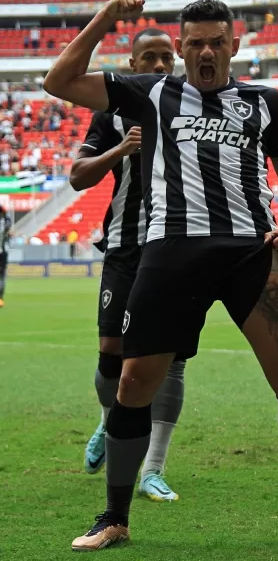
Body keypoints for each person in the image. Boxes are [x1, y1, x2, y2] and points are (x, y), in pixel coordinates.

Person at [44, 0, 278, 552]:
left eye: (218, 42)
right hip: (170, 252)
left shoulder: (266, 102)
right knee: (132, 383)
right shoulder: (151, 92)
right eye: (195, 44)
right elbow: (59, 80)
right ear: (180, 48)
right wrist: (107, 18)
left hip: (249, 252)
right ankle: (114, 517)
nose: (207, 53)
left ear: (235, 45)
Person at [70, 28, 185, 502]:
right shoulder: (110, 115)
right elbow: (78, 176)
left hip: (177, 249)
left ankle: (153, 469)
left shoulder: (193, 109)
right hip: (123, 245)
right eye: (150, 58)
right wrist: (120, 150)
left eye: (166, 58)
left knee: (172, 362)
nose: (159, 66)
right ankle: (109, 418)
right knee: (110, 359)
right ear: (132, 65)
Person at [0, 204, 11, 307]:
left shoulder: (5, 224)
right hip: (3, 253)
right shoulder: (6, 223)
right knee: (2, 276)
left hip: (2, 252)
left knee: (1, 276)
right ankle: (0, 298)